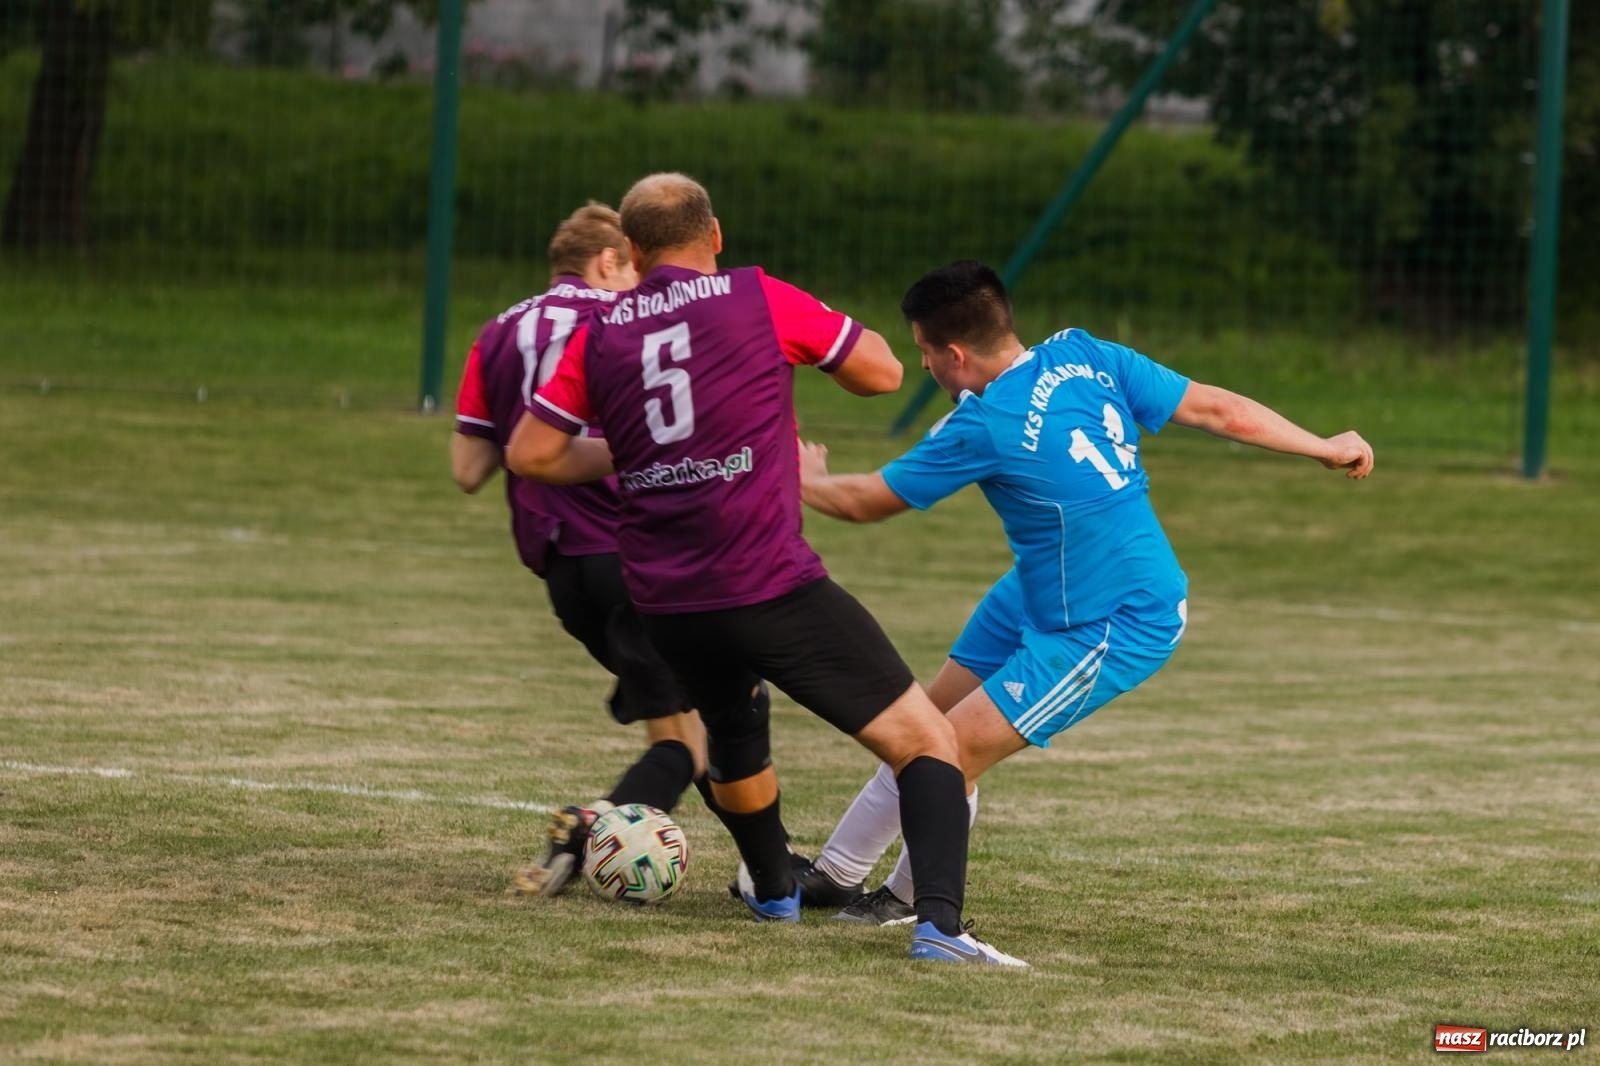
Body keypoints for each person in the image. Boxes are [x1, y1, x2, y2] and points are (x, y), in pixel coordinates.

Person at [507, 174, 1024, 965]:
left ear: (635, 252)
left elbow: (531, 452)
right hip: (763, 575)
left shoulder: (603, 331)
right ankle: (941, 931)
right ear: (715, 236)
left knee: (736, 730)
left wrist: (643, 449)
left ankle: (775, 892)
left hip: (664, 594)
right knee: (927, 741)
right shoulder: (754, 294)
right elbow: (881, 372)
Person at [798, 260, 1375, 924]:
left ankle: (905, 899)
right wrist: (1323, 446)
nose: (924, 366)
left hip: (1114, 617)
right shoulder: (1085, 355)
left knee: (945, 753)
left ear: (954, 353)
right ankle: (836, 872)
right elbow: (1220, 410)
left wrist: (805, 479)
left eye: (925, 351)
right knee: (922, 725)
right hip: (1037, 586)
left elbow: (869, 501)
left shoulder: (984, 424)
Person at [452, 201, 725, 898]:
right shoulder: (625, 321)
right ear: (611, 262)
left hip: (560, 567)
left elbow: (469, 469)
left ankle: (762, 859)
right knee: (700, 729)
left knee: (684, 717)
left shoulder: (497, 333)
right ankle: (598, 824)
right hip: (637, 553)